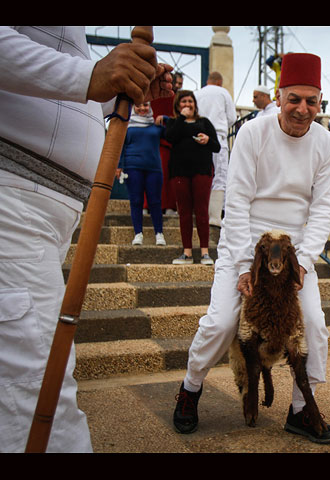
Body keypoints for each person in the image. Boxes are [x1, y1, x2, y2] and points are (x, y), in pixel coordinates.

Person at [0, 26, 173, 453]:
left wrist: (119, 87)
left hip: (45, 211)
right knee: (38, 395)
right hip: (13, 201)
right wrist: (88, 75)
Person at [172, 52, 330, 444]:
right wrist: (246, 265)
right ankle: (190, 389)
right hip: (245, 248)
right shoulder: (253, 133)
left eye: (311, 101)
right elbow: (239, 201)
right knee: (221, 322)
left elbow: (323, 209)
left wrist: (303, 262)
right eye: (294, 99)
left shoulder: (328, 145)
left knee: (314, 327)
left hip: (295, 256)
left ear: (320, 102)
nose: (302, 109)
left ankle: (300, 409)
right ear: (279, 96)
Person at [162, 90, 220, 265]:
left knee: (202, 211)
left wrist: (207, 139)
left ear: (195, 104)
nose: (188, 104)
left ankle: (204, 252)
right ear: (178, 106)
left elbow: (216, 146)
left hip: (201, 170)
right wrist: (181, 118)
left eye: (190, 101)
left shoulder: (204, 122)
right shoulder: (174, 122)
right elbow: (170, 137)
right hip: (179, 171)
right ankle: (187, 252)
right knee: (184, 212)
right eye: (184, 102)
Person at [116, 102, 166, 246]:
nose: (142, 108)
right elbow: (121, 147)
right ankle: (138, 233)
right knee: (136, 201)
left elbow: (172, 132)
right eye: (138, 106)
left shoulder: (157, 126)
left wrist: (165, 119)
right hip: (133, 167)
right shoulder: (127, 125)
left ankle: (159, 234)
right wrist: (119, 167)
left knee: (155, 202)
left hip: (154, 168)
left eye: (145, 105)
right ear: (133, 107)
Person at [194, 72, 236, 228]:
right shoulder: (223, 93)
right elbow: (232, 117)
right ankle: (215, 216)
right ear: (220, 82)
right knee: (220, 175)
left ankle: (200, 212)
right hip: (218, 136)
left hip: (199, 135)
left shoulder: (197, 93)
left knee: (201, 174)